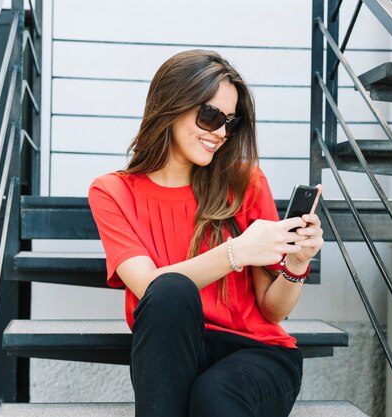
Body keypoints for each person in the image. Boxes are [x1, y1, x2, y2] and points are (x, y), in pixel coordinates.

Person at [88, 49, 324, 417]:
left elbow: (272, 311)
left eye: (230, 122)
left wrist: (296, 262)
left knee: (214, 395)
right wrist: (237, 252)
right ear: (171, 105)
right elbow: (150, 288)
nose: (220, 133)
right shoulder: (112, 192)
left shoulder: (246, 183)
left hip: (258, 355)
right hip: (176, 350)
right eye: (211, 116)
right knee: (169, 290)